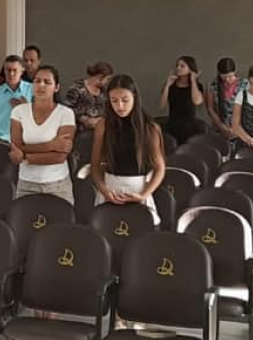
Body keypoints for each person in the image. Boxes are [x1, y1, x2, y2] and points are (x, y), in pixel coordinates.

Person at [90, 74, 165, 223]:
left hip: (138, 190)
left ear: (134, 97)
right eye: (114, 101)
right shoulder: (103, 125)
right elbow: (95, 166)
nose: (120, 106)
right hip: (110, 190)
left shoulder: (149, 127)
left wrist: (144, 194)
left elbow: (160, 168)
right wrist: (104, 190)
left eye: (125, 100)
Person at [9, 66, 75, 205]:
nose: (41, 85)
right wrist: (51, 145)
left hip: (57, 185)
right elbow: (16, 149)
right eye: (37, 81)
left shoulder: (65, 113)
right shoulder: (19, 111)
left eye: (47, 82)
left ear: (56, 87)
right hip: (27, 183)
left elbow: (59, 157)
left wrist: (24, 156)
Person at [158, 56, 211, 146]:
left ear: (190, 69)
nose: (178, 68)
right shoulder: (172, 86)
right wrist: (167, 85)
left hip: (189, 126)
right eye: (177, 65)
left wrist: (193, 81)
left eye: (182, 66)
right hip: (172, 125)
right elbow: (162, 106)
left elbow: (197, 101)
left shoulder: (197, 86)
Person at [0, 55, 34, 146]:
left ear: (22, 71)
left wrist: (26, 108)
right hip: (2, 139)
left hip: (26, 141)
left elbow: (41, 118)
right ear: (4, 71)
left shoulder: (32, 90)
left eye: (15, 70)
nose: (11, 74)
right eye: (8, 70)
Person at [62, 61, 115, 132]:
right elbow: (66, 108)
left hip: (101, 129)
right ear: (100, 77)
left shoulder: (104, 91)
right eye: (107, 79)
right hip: (80, 130)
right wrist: (83, 119)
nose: (107, 82)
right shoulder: (77, 88)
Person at [210, 57, 244, 139]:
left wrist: (236, 128)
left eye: (230, 76)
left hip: (241, 130)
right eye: (224, 77)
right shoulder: (213, 85)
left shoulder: (245, 85)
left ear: (235, 71)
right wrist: (222, 127)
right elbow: (210, 108)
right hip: (220, 129)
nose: (227, 80)